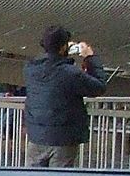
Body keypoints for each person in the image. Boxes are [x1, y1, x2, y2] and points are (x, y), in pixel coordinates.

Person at [23, 25, 111, 166]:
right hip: (63, 139)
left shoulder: (30, 69)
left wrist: (60, 51)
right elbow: (98, 87)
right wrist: (90, 58)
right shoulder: (70, 73)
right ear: (64, 47)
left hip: (37, 136)